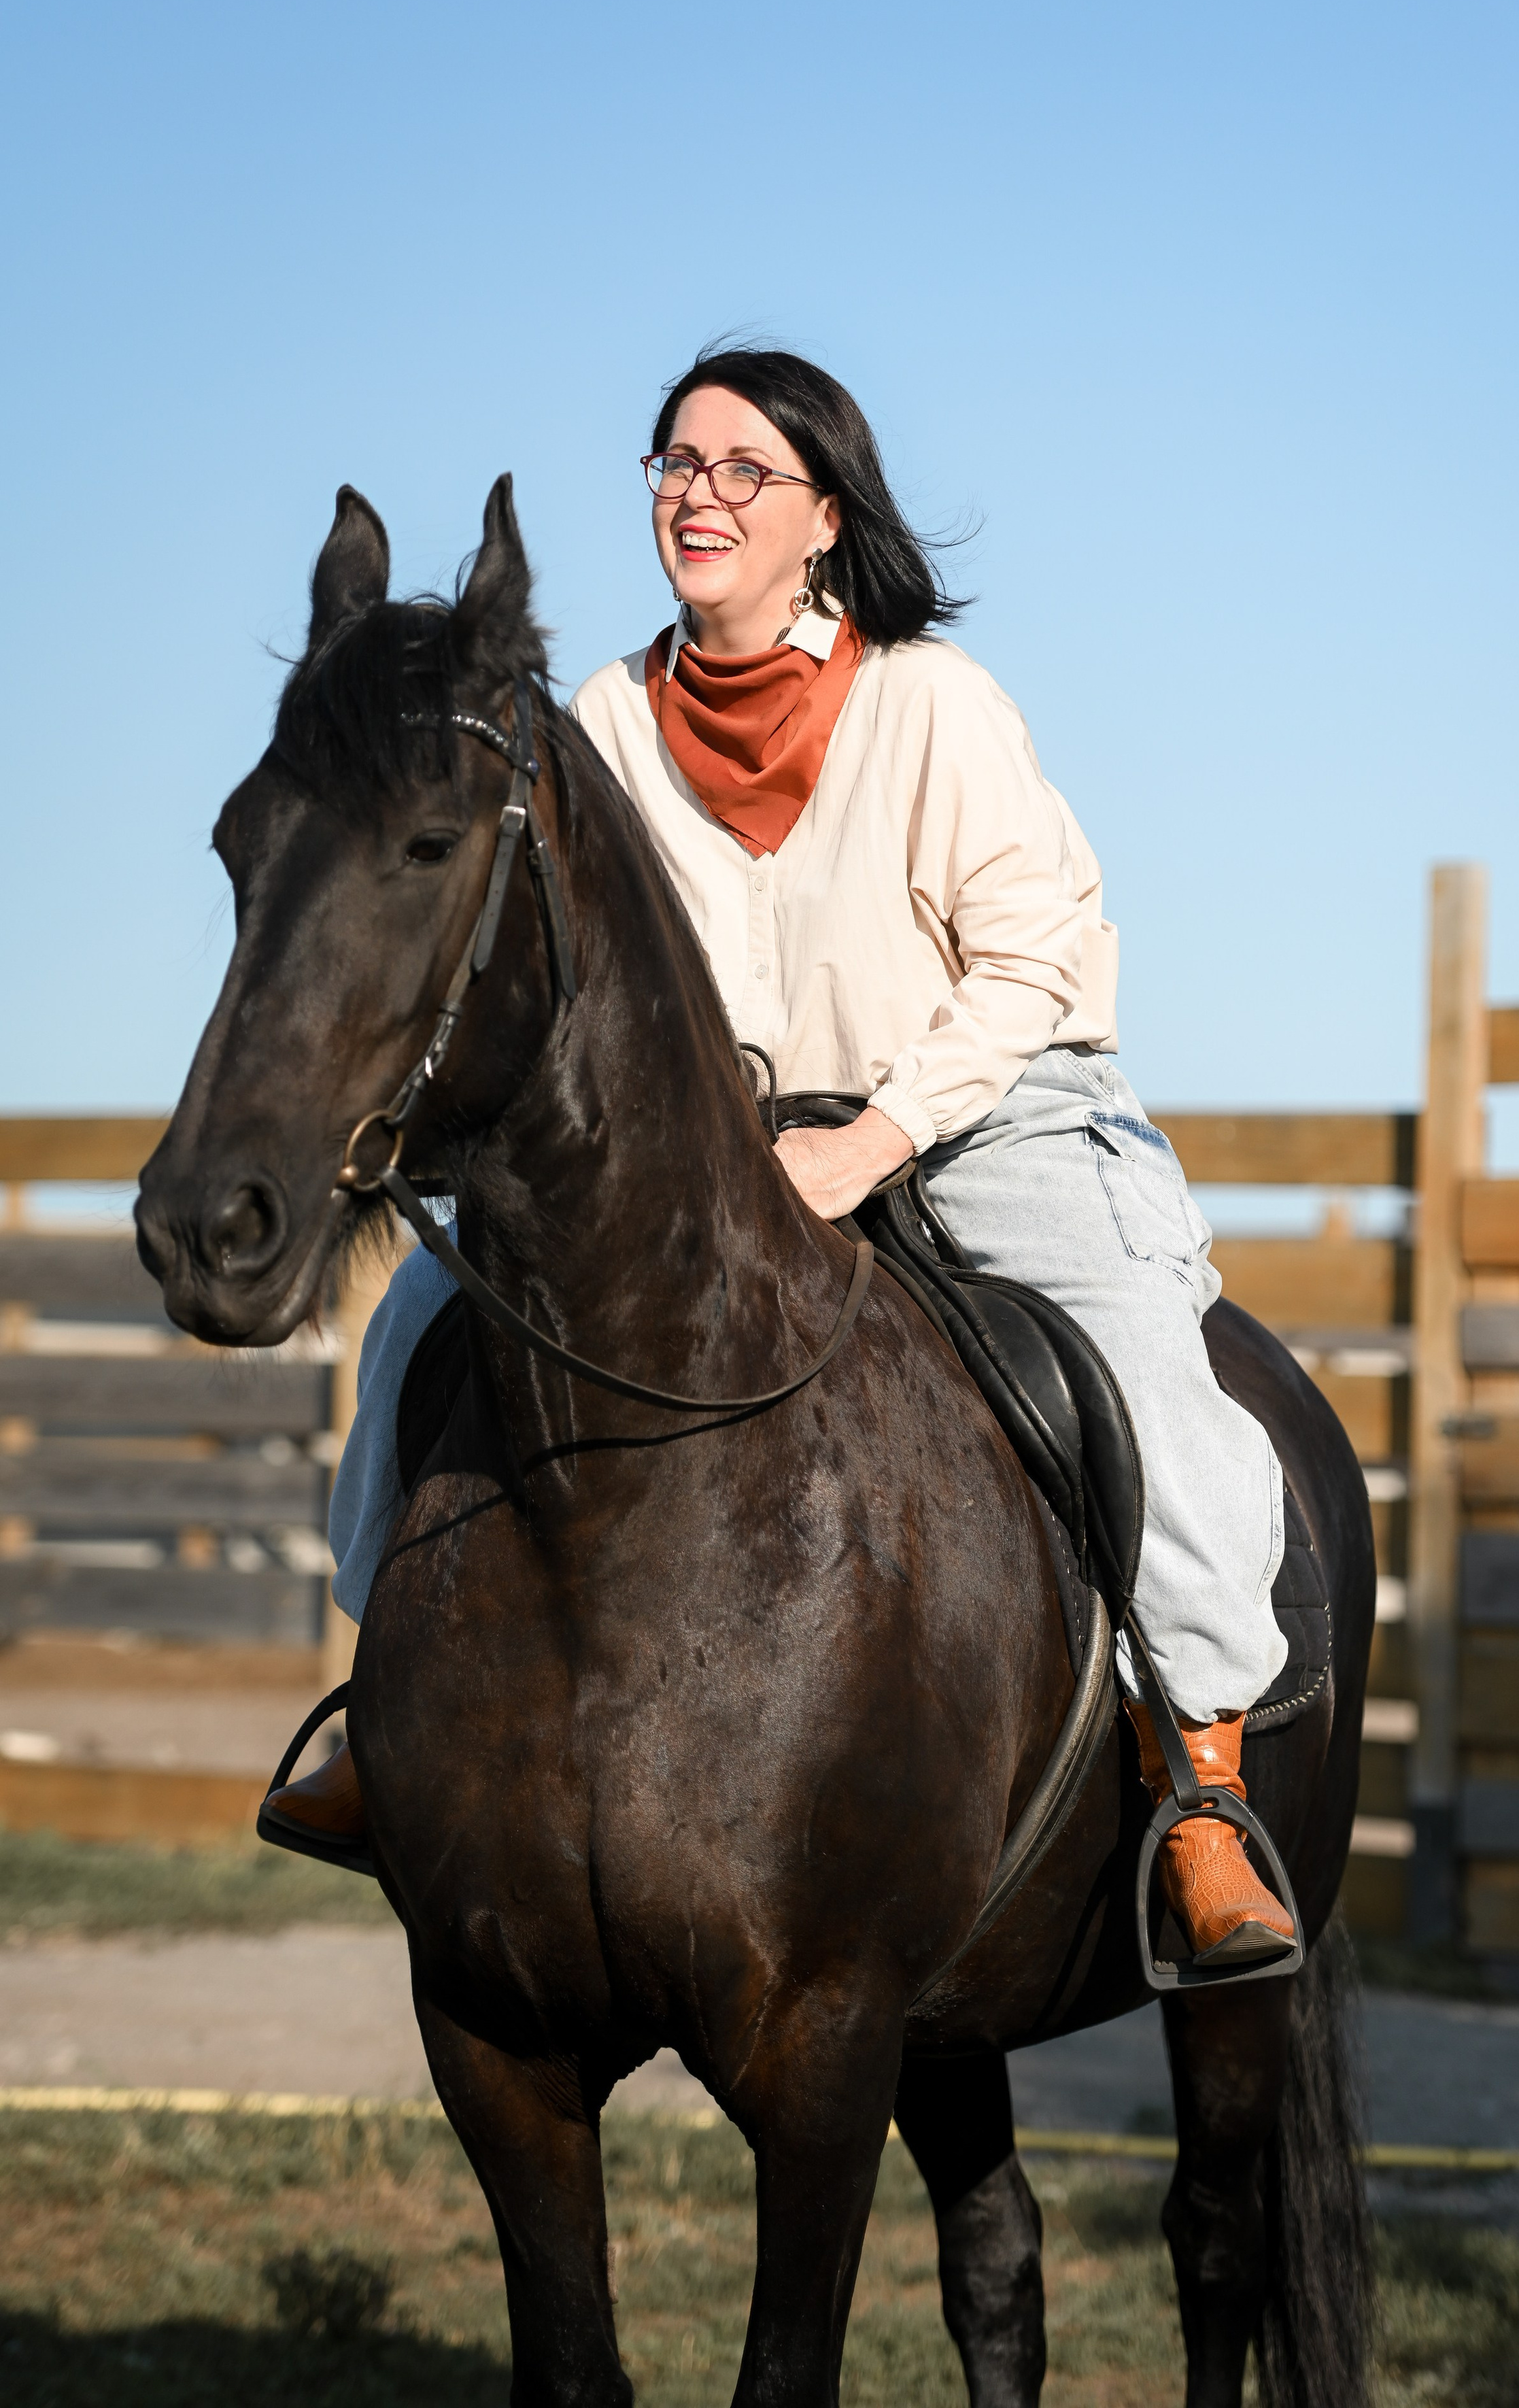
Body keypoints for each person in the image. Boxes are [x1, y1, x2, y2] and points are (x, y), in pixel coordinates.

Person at [265, 348, 1295, 1966]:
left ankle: (1202, 1782)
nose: (697, 493)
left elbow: (1028, 965)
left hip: (982, 1097)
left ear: (821, 518)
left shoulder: (932, 702)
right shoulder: (598, 718)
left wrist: (875, 1137)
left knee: (1137, 1363)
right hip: (717, 1153)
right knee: (418, 1332)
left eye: (743, 469)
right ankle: (374, 1717)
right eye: (674, 463)